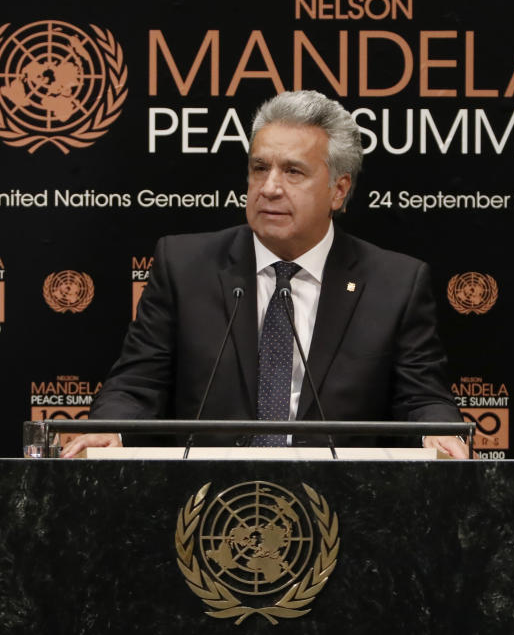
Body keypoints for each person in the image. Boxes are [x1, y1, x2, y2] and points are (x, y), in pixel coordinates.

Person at [61, 90, 468, 458]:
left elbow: (421, 398)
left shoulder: (395, 283)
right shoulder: (184, 265)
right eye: (259, 168)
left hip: (345, 504)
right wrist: (110, 429)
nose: (270, 187)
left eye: (293, 172)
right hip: (204, 501)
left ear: (338, 190)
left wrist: (439, 432)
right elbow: (139, 383)